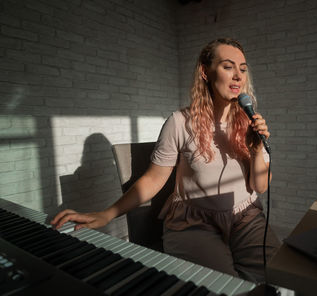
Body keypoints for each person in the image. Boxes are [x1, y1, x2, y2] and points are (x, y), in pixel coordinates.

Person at [51, 37, 281, 282]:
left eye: (242, 69)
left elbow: (260, 186)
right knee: (223, 286)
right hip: (194, 222)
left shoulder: (250, 120)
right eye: (228, 66)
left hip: (246, 217)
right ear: (205, 72)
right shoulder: (179, 122)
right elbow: (153, 179)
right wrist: (107, 214)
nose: (238, 75)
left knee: (279, 277)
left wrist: (256, 149)